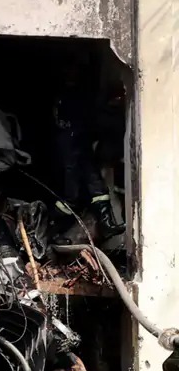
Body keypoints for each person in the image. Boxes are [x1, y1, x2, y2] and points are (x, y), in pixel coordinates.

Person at [52, 58, 125, 244]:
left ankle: (107, 225)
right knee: (71, 197)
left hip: (82, 146)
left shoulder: (81, 95)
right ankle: (53, 232)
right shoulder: (64, 97)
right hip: (71, 150)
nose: (73, 74)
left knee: (97, 187)